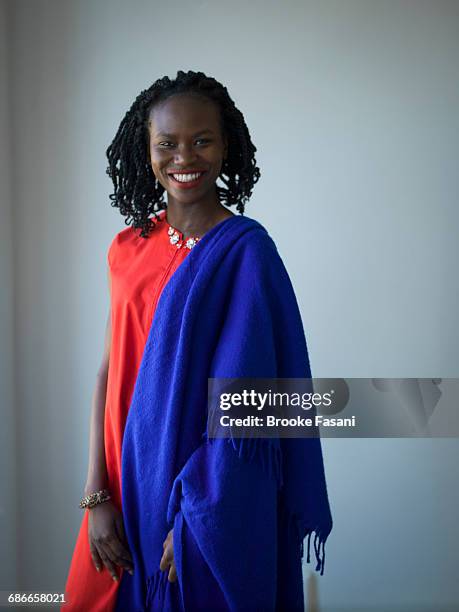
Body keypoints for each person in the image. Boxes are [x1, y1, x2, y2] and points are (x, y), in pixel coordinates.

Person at [62, 70, 333, 612]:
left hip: (202, 496)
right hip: (124, 481)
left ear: (225, 145)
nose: (184, 157)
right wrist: (97, 495)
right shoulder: (126, 250)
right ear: (147, 151)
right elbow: (108, 373)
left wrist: (197, 519)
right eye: (167, 143)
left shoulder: (247, 255)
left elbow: (252, 409)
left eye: (202, 140)